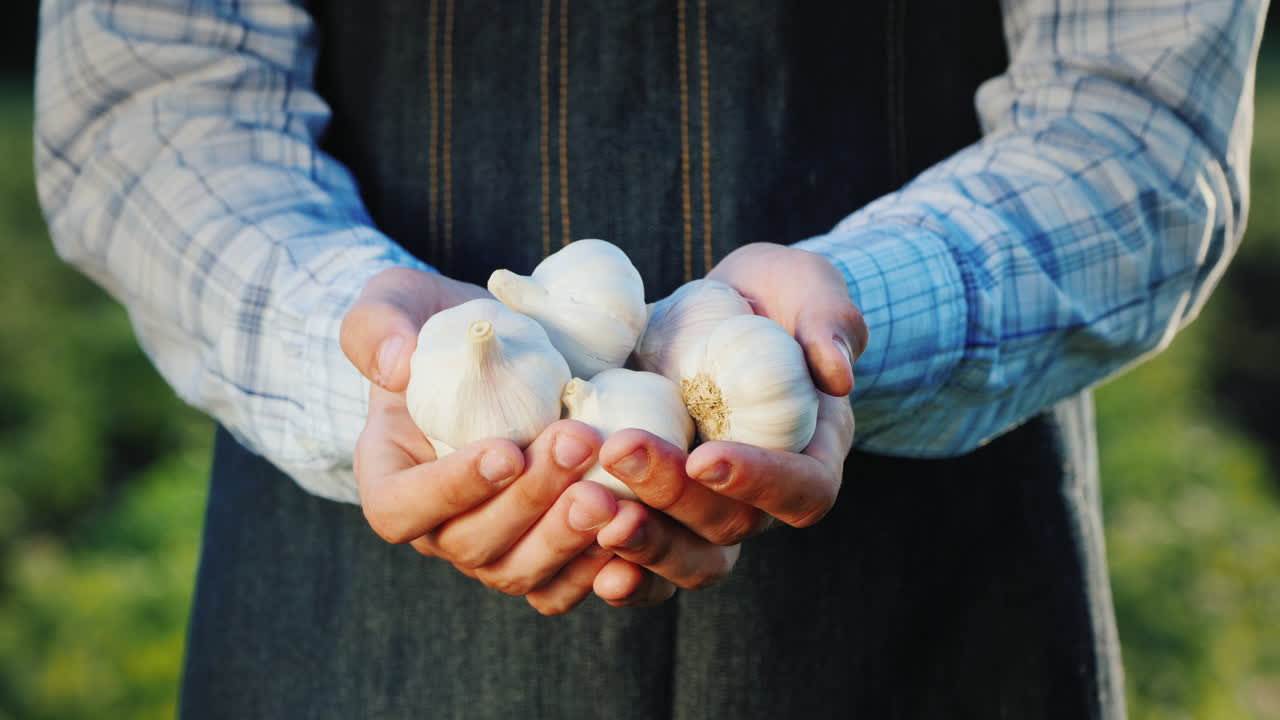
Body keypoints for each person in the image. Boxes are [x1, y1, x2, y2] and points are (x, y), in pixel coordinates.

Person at [35, 0, 1268, 717]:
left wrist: (856, 321)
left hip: (932, 594)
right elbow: (146, 105)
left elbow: (1136, 121)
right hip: (344, 599)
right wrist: (381, 365)